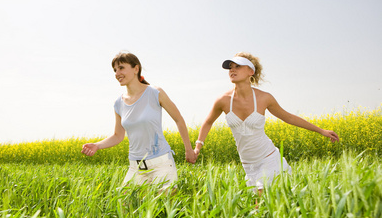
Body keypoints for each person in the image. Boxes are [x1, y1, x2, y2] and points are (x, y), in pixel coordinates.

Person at [194, 52, 339, 194]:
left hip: (268, 159)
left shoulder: (264, 98)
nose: (232, 70)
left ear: (251, 71)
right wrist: (197, 147)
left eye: (238, 66)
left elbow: (288, 117)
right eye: (230, 67)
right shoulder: (223, 100)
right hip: (248, 165)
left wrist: (321, 130)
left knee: (260, 202)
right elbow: (208, 122)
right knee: (263, 208)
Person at [81, 51, 197, 190]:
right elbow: (118, 136)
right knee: (123, 205)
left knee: (166, 207)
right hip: (135, 167)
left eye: (121, 68)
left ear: (136, 69)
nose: (117, 73)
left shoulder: (155, 93)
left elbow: (178, 119)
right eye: (115, 70)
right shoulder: (119, 103)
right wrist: (97, 145)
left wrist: (188, 149)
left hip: (161, 164)